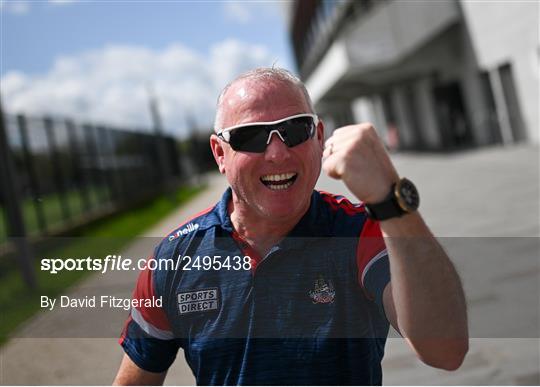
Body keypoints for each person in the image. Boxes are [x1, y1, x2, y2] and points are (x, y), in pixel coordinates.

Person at [113, 68, 468, 385]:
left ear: (318, 137)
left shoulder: (360, 231)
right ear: (220, 154)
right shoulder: (175, 257)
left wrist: (391, 203)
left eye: (295, 129)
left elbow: (446, 350)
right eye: (250, 136)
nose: (278, 153)